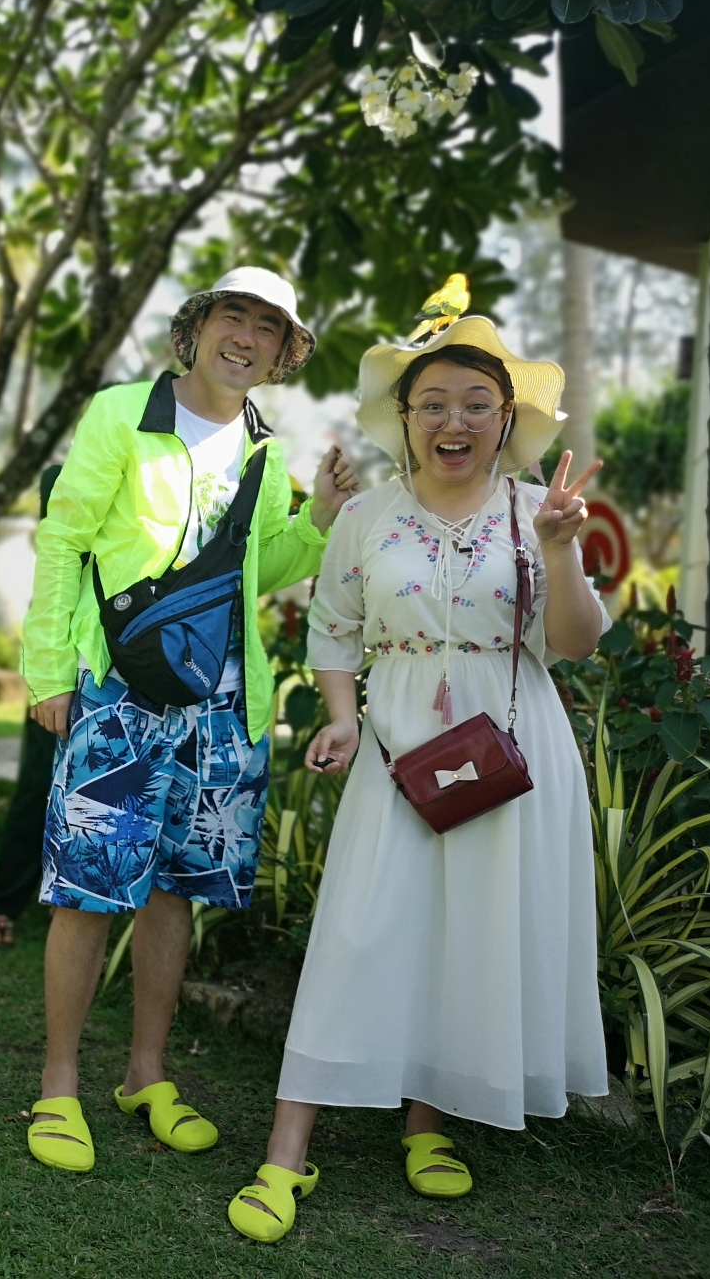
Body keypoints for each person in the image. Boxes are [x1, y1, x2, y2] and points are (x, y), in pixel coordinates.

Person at [226, 312, 609, 1244]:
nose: (455, 420)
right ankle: (286, 1152)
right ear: (404, 418)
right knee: (356, 932)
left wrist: (562, 550)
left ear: (507, 418)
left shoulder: (536, 513)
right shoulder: (364, 517)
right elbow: (332, 630)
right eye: (433, 402)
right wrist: (344, 720)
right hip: (398, 748)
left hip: (511, 750)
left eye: (477, 404)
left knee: (468, 929)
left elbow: (574, 644)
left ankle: (427, 1123)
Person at [20, 266, 358, 1172]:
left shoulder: (262, 447)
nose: (245, 338)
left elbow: (260, 572)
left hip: (221, 706)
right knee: (91, 888)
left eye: (268, 329)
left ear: (285, 354)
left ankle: (146, 1074)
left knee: (176, 888)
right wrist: (49, 671)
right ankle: (58, 1087)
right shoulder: (121, 414)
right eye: (232, 317)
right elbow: (63, 542)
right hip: (118, 696)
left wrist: (319, 517)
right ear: (198, 327)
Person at [0, 464, 63, 950]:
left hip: (133, 664)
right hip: (60, 667)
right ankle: (3, 901)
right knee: (38, 785)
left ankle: (69, 900)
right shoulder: (65, 479)